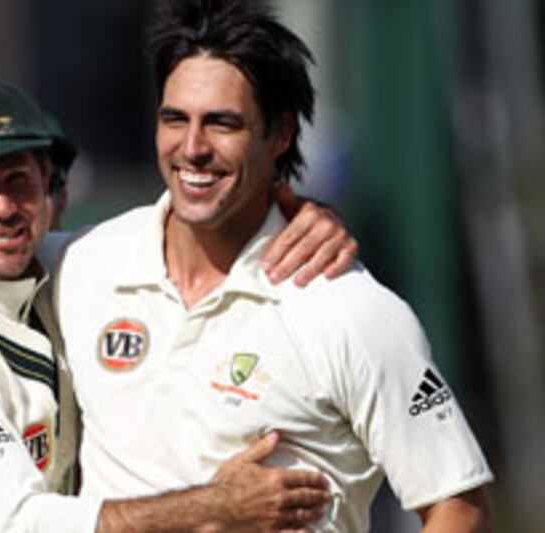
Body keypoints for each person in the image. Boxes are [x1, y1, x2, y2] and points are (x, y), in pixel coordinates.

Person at [0, 76, 359, 532]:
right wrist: (213, 508)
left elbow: (179, 231)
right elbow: (16, 525)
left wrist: (291, 216)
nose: (3, 207)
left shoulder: (57, 272)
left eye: (20, 181)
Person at [54, 1, 494, 531]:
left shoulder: (353, 311)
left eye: (222, 124)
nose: (192, 148)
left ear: (280, 135)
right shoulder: (81, 265)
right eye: (175, 119)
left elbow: (459, 509)